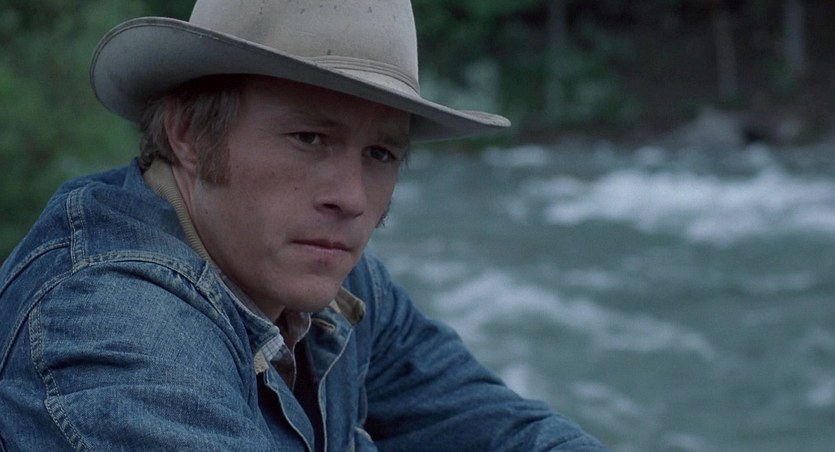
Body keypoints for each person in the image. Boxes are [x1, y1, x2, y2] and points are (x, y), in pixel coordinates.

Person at [0, 0, 607, 450]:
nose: (352, 199)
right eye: (310, 138)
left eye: (380, 154)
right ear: (189, 133)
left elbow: (504, 430)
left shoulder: (334, 283)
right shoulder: (118, 326)